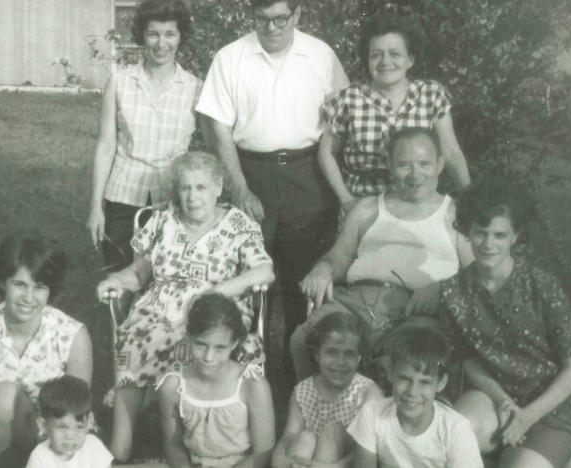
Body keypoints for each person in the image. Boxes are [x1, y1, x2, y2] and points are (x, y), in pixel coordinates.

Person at [96, 151, 275, 462]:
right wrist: (118, 280)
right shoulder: (164, 218)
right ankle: (121, 449)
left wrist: (215, 293)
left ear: (218, 187)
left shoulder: (237, 223)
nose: (192, 197)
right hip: (160, 308)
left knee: (237, 346)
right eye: (185, 188)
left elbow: (264, 271)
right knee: (136, 339)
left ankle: (230, 442)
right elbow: (140, 271)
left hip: (216, 309)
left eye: (201, 187)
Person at [196, 0, 350, 356]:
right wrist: (240, 189)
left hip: (307, 174)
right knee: (246, 275)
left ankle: (300, 368)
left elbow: (342, 117)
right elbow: (219, 131)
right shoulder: (230, 57)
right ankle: (243, 362)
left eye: (281, 18)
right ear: (252, 16)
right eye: (262, 19)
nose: (271, 28)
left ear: (297, 14)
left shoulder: (321, 55)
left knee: (304, 276)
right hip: (251, 171)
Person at [291, 127, 474, 379]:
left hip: (418, 311)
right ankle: (316, 411)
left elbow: (478, 274)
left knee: (416, 354)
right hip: (355, 302)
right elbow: (338, 258)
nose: (415, 175)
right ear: (389, 165)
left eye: (424, 164)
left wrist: (444, 289)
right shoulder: (367, 208)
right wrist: (323, 268)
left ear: (440, 164)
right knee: (304, 339)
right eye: (404, 165)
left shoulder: (455, 214)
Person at [440, 179, 571, 468]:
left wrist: (527, 416)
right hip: (495, 399)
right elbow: (468, 359)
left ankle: (563, 452)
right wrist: (503, 401)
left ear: (515, 236)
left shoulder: (542, 286)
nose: (488, 243)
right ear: (467, 231)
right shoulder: (453, 292)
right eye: (480, 233)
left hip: (551, 407)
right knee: (455, 434)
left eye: (499, 235)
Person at [0, 232, 93, 468]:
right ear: (2, 283)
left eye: (39, 287)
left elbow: (77, 415)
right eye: (19, 284)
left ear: (50, 290)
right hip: (1, 449)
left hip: (56, 450)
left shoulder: (73, 336)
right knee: (2, 396)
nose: (28, 298)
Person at [88, 0, 203, 272]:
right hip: (123, 198)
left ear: (180, 37)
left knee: (166, 281)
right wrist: (95, 207)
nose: (161, 43)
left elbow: (208, 151)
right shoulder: (119, 82)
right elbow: (106, 147)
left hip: (174, 199)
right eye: (153, 34)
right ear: (142, 35)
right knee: (119, 280)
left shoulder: (195, 88)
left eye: (169, 34)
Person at [319, 16, 470, 214]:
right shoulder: (349, 99)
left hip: (420, 206)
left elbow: (451, 152)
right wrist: (347, 201)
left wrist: (470, 199)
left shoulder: (431, 94)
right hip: (365, 208)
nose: (385, 61)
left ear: (410, 59)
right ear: (367, 60)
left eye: (395, 54)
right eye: (376, 55)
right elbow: (326, 153)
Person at [156, 293, 275, 467]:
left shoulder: (252, 385)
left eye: (220, 347)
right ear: (189, 336)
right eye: (201, 345)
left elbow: (263, 453)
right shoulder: (173, 386)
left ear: (234, 344)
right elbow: (173, 445)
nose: (209, 357)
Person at [349, 324, 483, 468]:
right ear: (390, 373)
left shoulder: (456, 429)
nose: (412, 391)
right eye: (405, 379)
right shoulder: (372, 414)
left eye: (425, 383)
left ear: (441, 383)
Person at [272, 312, 382, 468]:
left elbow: (370, 450)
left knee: (333, 434)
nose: (339, 362)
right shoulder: (303, 391)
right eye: (331, 352)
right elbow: (289, 436)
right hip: (309, 460)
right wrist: (278, 458)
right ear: (317, 354)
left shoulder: (368, 393)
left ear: (359, 358)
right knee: (305, 438)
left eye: (349, 354)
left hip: (348, 464)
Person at [26, 376, 113, 468]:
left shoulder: (93, 447)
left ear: (89, 422)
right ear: (43, 425)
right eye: (62, 427)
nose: (71, 436)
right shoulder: (40, 457)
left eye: (79, 427)